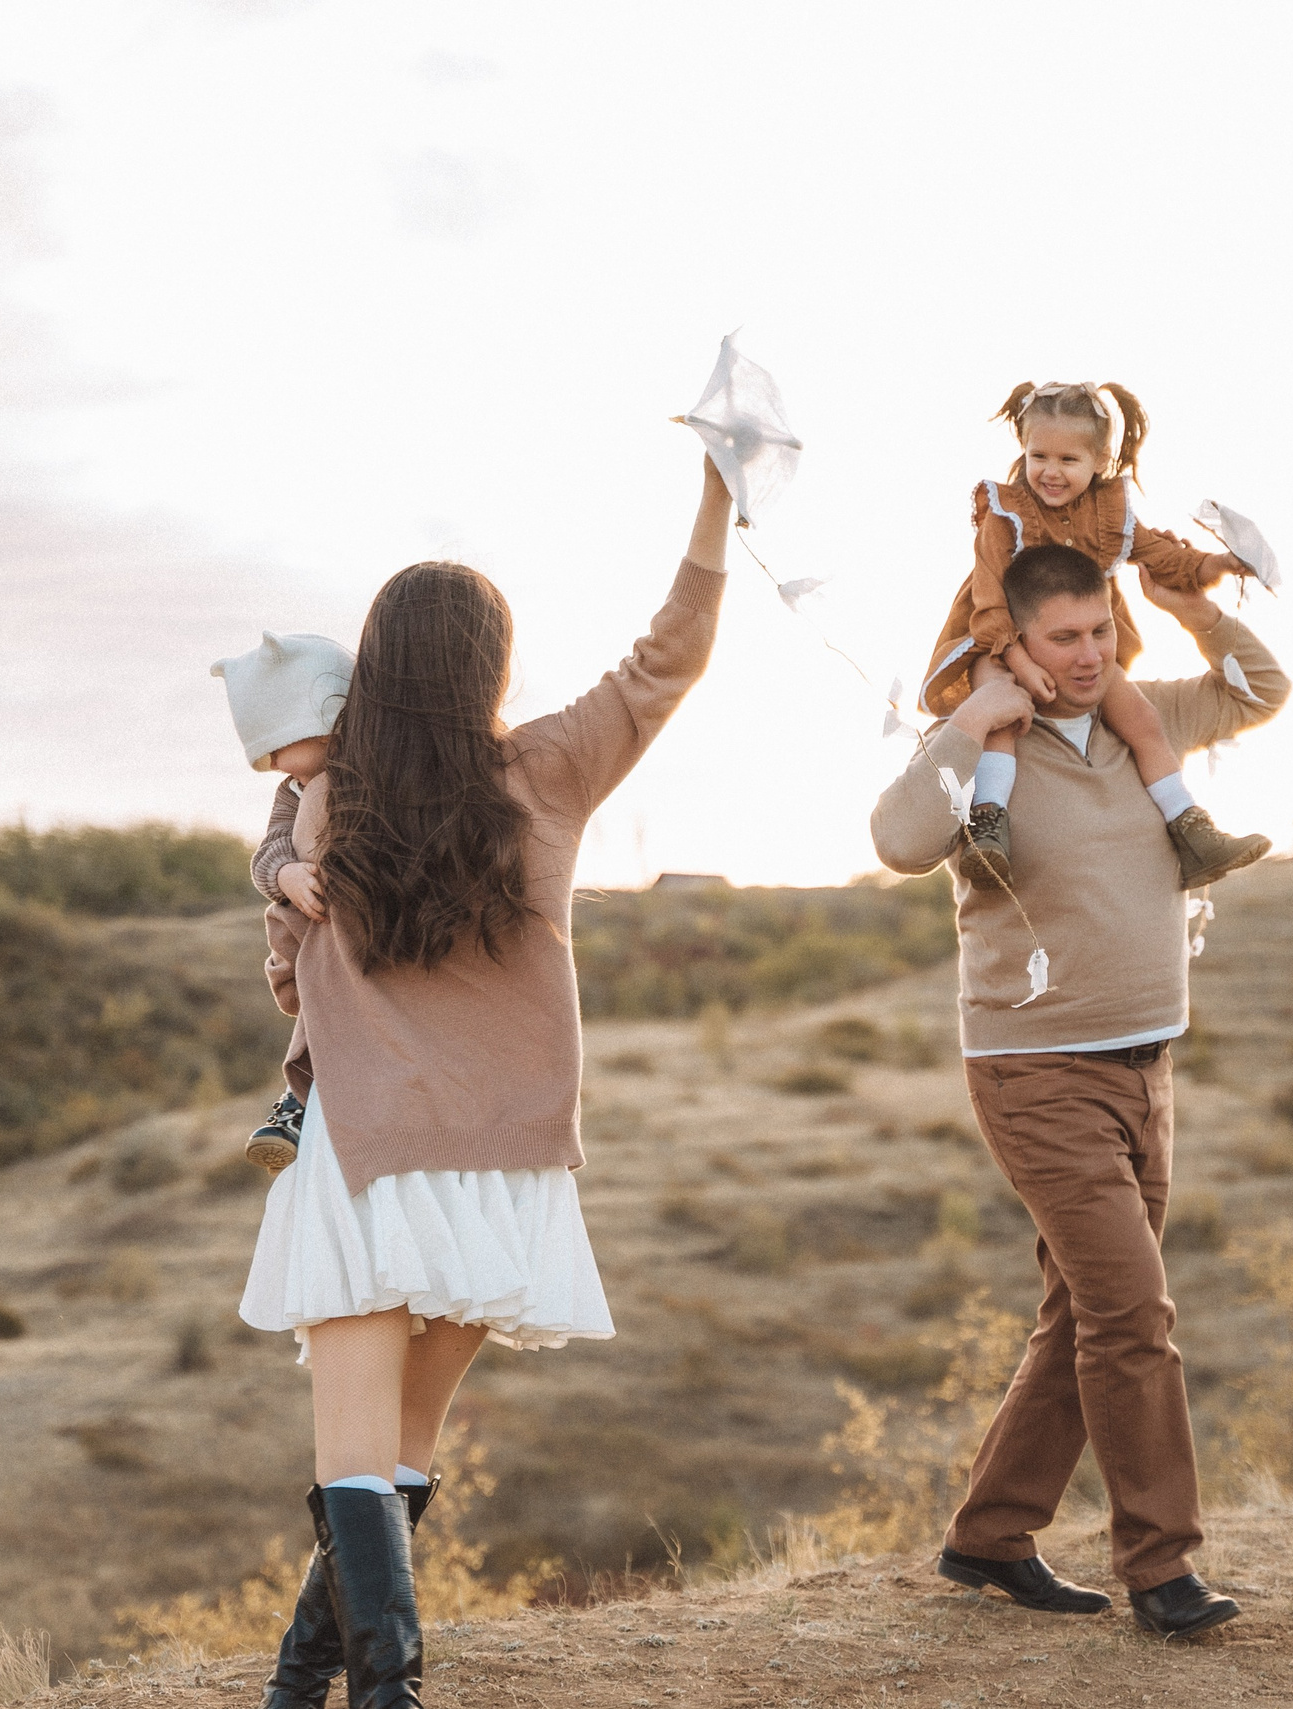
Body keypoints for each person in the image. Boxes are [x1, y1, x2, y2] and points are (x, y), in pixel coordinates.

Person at [236, 454, 734, 1709]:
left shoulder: (325, 798)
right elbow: (669, 656)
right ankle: (303, 1689)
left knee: (359, 1457)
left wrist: (293, 902)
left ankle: (366, 1693)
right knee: (402, 1450)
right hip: (508, 1159)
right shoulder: (552, 769)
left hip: (369, 1152)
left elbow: (289, 978)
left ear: (373, 667)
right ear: (491, 671)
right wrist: (717, 502)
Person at [870, 539, 1288, 1643]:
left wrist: (1187, 605)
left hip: (1147, 1063)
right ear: (1015, 641)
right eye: (1065, 636)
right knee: (1132, 1313)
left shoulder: (1140, 717)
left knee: (1083, 1312)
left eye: (1100, 629)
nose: (1091, 653)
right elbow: (898, 837)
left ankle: (990, 1535)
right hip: (1034, 1071)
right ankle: (1163, 1569)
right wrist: (972, 717)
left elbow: (1263, 689)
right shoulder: (985, 740)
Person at [919, 381, 1271, 893]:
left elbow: (1161, 556)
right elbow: (990, 601)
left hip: (1072, 644)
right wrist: (1020, 662)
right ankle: (988, 827)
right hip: (995, 638)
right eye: (1038, 455)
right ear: (1023, 448)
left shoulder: (1109, 512)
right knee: (1001, 707)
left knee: (1143, 719)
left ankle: (1190, 829)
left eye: (1068, 458)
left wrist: (1215, 562)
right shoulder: (1005, 509)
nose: (1051, 471)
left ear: (1099, 459)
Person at [210, 629, 356, 1174]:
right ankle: (296, 1106)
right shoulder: (293, 795)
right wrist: (288, 872)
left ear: (320, 719)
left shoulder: (370, 775)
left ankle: (298, 1103)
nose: (276, 768)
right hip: (306, 930)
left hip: (344, 937)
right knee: (316, 1009)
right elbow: (265, 853)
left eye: (278, 752)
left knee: (324, 1008)